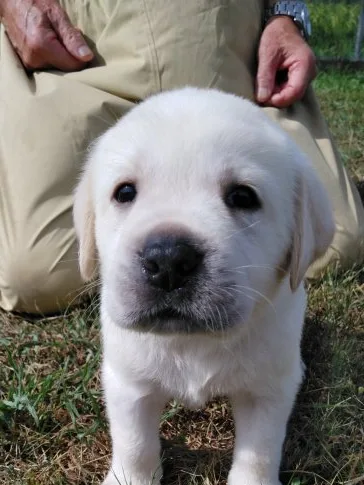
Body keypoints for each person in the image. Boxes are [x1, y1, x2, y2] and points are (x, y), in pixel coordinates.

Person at [0, 0, 363, 314]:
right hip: (78, 57)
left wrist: (287, 15)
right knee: (35, 274)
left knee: (338, 241)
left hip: (233, 58)